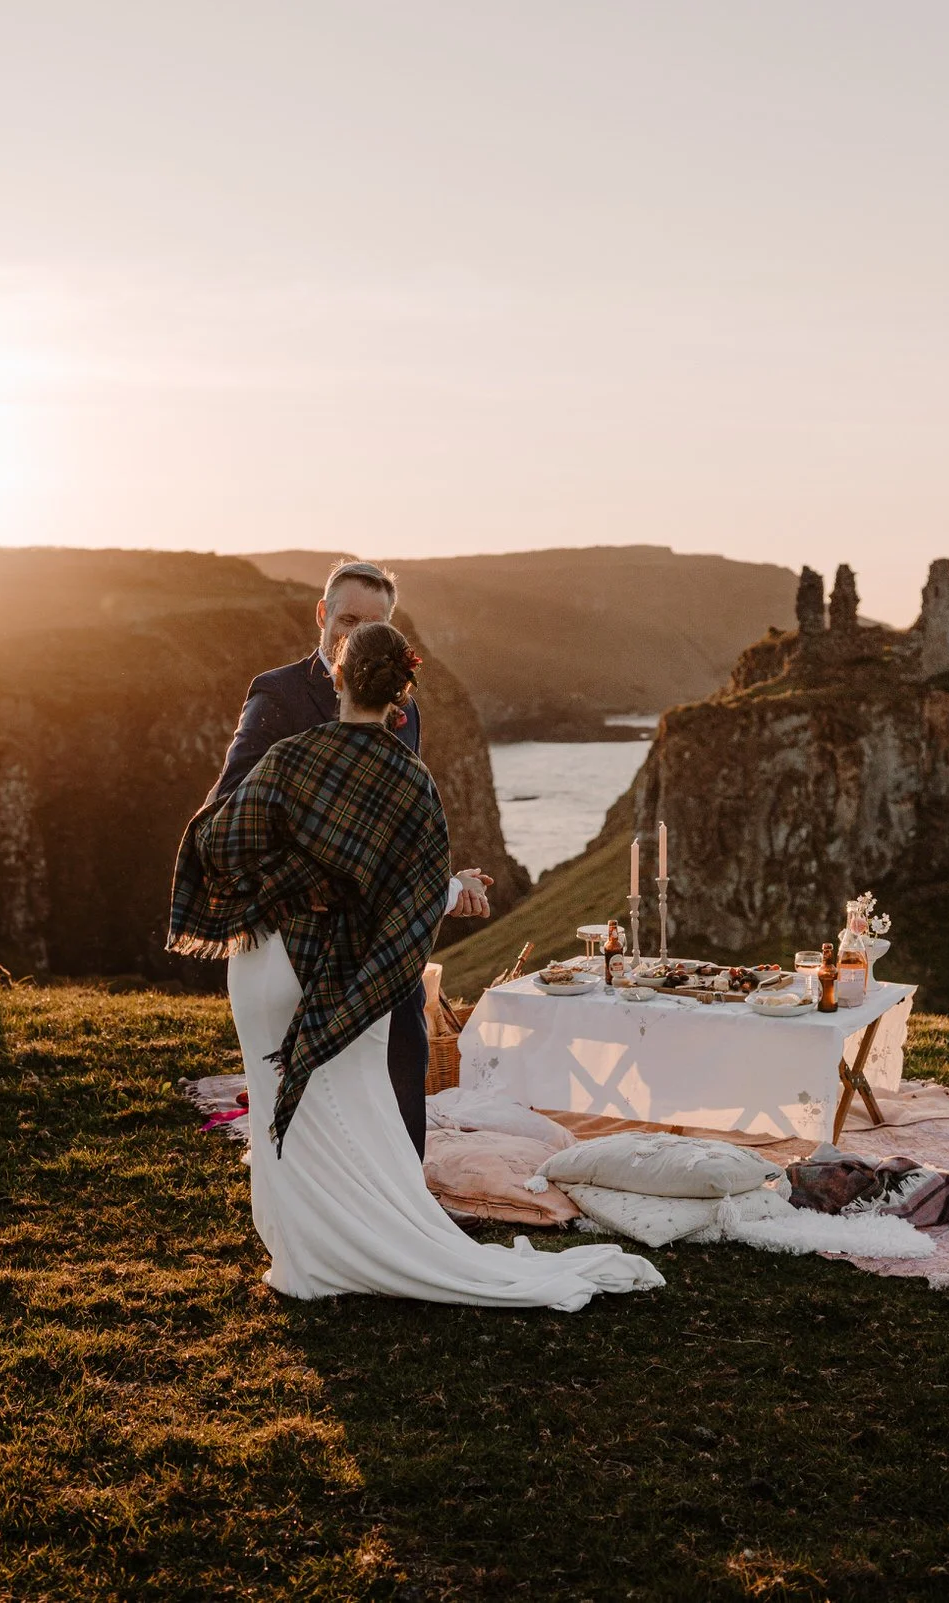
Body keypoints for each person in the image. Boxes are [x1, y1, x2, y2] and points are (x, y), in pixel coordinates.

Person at [170, 620, 662, 1309]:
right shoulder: (411, 785)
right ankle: (349, 1243)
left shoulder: (287, 759)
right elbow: (410, 904)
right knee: (355, 1111)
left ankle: (304, 1252)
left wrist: (288, 880)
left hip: (268, 963)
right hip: (350, 978)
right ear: (401, 692)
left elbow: (216, 843)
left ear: (336, 678)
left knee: (292, 1104)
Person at [206, 559, 489, 1155]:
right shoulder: (279, 694)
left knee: (403, 1069)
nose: (356, 635)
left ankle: (401, 1202)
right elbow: (226, 809)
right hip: (299, 945)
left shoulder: (404, 711)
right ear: (322, 615)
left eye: (373, 623)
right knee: (314, 1092)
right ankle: (322, 1206)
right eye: (347, 618)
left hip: (385, 945)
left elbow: (394, 829)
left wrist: (442, 882)